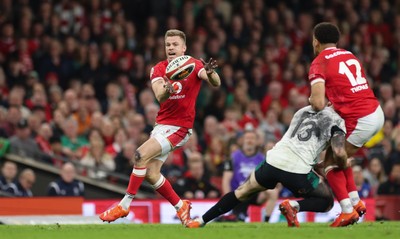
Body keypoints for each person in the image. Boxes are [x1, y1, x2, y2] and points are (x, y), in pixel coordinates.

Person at [99, 29, 221, 226]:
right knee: (151, 173)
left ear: (184, 48)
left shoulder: (194, 64)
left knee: (139, 155)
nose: (171, 48)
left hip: (180, 127)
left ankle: (124, 204)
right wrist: (167, 88)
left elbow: (215, 82)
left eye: (175, 44)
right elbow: (159, 95)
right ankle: (180, 205)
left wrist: (210, 72)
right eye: (168, 45)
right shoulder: (158, 69)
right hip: (161, 126)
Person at [186, 105, 346, 228]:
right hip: (297, 169)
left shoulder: (304, 111)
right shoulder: (338, 122)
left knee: (240, 192)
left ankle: (200, 221)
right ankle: (294, 205)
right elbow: (338, 153)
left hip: (273, 160)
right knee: (326, 201)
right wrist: (343, 164)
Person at [308, 22, 385, 227]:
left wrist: (311, 101)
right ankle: (355, 202)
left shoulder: (319, 62)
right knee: (340, 156)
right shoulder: (349, 54)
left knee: (330, 161)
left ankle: (347, 211)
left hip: (361, 118)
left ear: (316, 41)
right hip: (375, 111)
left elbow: (317, 103)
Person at [222, 130, 278, 222]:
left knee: (273, 192)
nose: (249, 140)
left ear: (256, 142)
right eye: (247, 138)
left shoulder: (262, 159)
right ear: (242, 140)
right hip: (238, 192)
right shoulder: (233, 157)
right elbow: (226, 180)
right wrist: (227, 201)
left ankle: (266, 221)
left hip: (254, 192)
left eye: (252, 138)